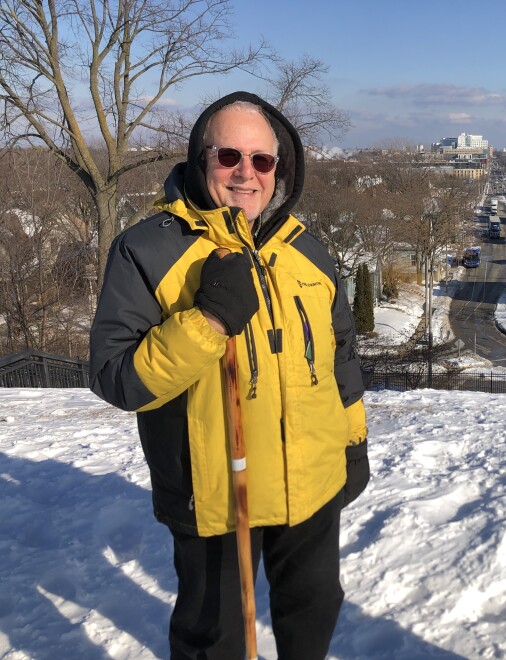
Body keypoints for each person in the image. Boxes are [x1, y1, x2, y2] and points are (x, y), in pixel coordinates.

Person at [89, 91, 369, 659]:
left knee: (314, 609)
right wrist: (208, 321)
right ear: (200, 160)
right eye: (228, 157)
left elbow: (339, 354)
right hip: (214, 490)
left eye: (262, 160)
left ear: (280, 169)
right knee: (211, 636)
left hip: (311, 480)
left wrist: (353, 441)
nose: (247, 173)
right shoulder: (146, 250)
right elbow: (115, 375)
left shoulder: (308, 251)